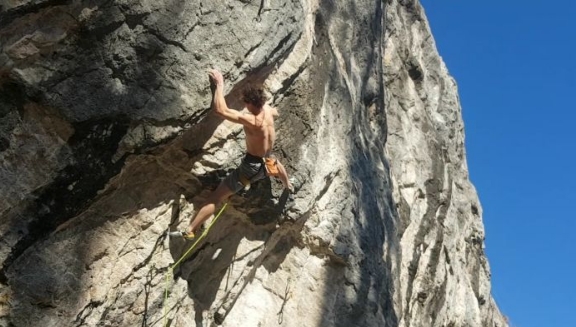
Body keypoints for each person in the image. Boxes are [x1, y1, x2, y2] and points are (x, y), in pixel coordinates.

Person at [171, 69, 293, 240]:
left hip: (250, 167)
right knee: (276, 165)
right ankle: (288, 185)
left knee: (216, 196)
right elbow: (276, 112)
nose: (245, 107)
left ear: (251, 104)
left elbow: (221, 110)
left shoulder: (253, 121)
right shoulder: (269, 111)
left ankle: (190, 230)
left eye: (246, 104)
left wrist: (219, 85)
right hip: (266, 163)